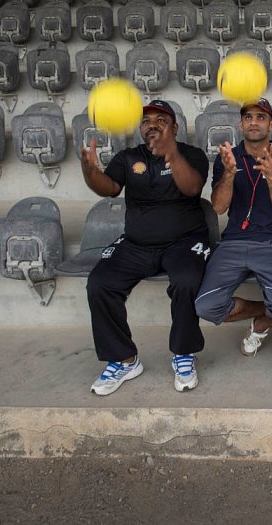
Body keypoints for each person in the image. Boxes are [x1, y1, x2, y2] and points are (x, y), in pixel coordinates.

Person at [82, 100, 211, 395]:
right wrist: (90, 170)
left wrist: (172, 154)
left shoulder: (192, 155)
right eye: (146, 121)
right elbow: (109, 188)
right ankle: (125, 359)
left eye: (161, 120)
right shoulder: (128, 157)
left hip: (185, 241)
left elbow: (191, 188)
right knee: (100, 283)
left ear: (175, 128)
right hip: (137, 243)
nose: (152, 125)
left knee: (188, 280)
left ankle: (183, 353)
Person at [194, 98, 272, 355]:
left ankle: (263, 323)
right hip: (234, 242)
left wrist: (271, 175)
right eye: (248, 117)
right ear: (241, 124)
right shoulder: (228, 158)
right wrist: (229, 174)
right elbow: (218, 207)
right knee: (206, 307)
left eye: (261, 117)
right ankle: (270, 313)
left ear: (271, 124)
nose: (254, 122)